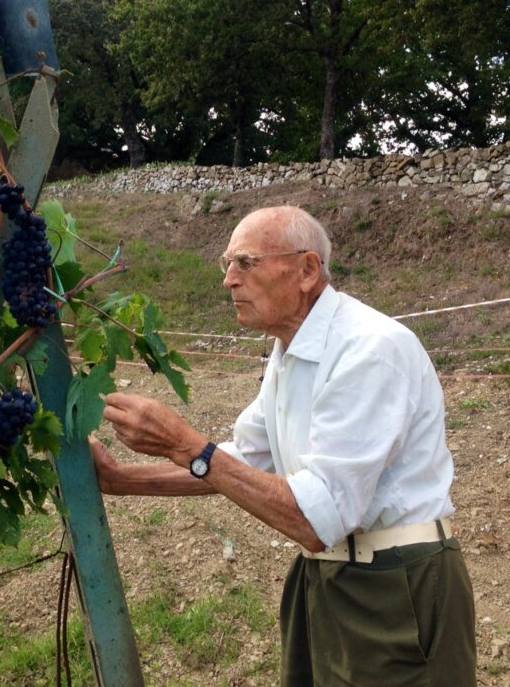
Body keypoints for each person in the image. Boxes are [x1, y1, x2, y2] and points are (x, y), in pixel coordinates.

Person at [90, 205, 477, 686]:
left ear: (307, 270)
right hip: (327, 578)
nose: (229, 280)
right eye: (226, 263)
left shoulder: (369, 349)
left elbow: (318, 519)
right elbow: (242, 459)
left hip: (395, 586)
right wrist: (123, 480)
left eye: (246, 263)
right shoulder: (290, 352)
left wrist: (186, 445)